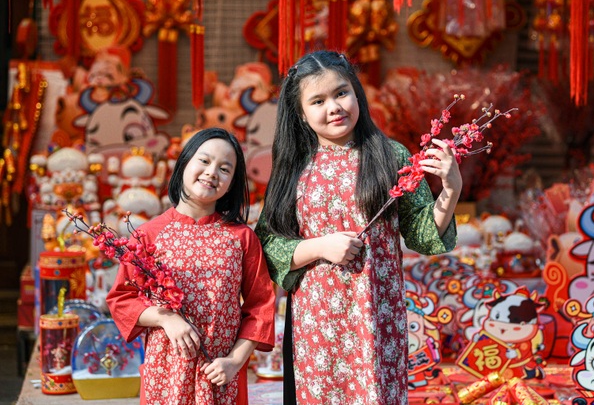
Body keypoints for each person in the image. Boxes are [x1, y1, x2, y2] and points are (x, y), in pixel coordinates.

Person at [255, 50, 461, 404]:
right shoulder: (293, 168)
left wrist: (452, 187)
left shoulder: (390, 155)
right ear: (302, 115)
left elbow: (424, 234)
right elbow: (269, 244)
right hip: (316, 322)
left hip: (377, 316)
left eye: (341, 93)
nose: (334, 107)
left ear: (357, 94)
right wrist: (321, 247)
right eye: (317, 101)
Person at [107, 128, 276, 405]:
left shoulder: (242, 238)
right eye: (204, 160)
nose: (212, 172)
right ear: (184, 162)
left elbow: (260, 308)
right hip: (166, 373)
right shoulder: (148, 235)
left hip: (221, 374)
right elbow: (121, 299)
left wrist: (234, 361)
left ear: (232, 182)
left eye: (225, 169)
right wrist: (165, 318)